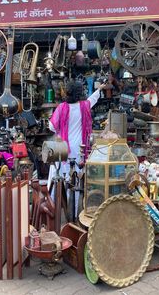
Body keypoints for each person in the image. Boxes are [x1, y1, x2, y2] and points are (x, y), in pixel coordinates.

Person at [47, 79, 106, 215]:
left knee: (60, 177)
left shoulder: (62, 107)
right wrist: (100, 89)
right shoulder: (84, 106)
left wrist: (60, 129)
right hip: (80, 148)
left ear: (67, 92)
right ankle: (74, 213)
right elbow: (93, 99)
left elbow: (51, 127)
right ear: (79, 93)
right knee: (77, 180)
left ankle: (55, 210)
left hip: (64, 148)